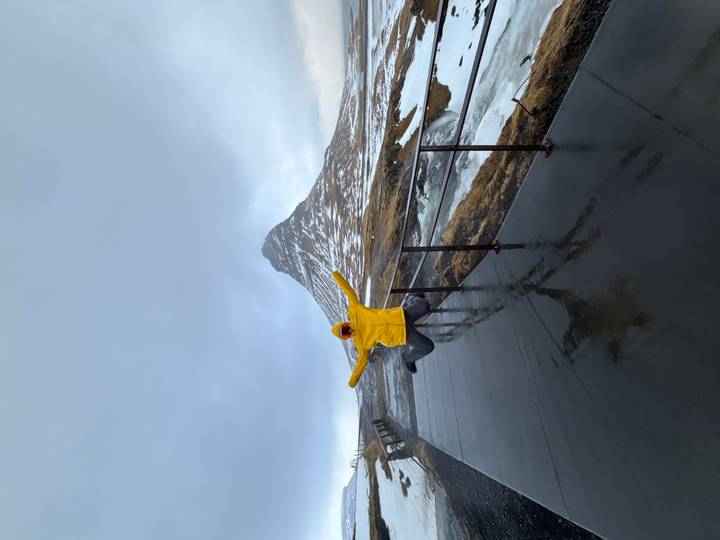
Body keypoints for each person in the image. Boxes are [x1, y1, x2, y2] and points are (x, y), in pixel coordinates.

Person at [330, 271, 435, 388]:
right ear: (346, 337)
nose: (347, 331)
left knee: (425, 306)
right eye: (344, 334)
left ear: (343, 324)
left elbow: (349, 291)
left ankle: (410, 299)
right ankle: (409, 358)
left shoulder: (355, 311)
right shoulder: (360, 342)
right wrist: (352, 382)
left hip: (400, 315)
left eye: (343, 329)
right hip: (402, 335)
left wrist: (336, 276)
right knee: (428, 346)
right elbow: (362, 362)